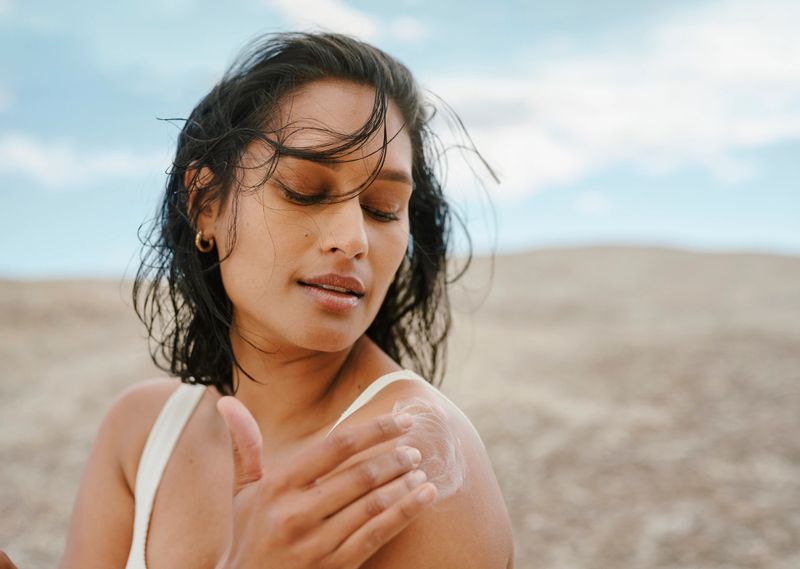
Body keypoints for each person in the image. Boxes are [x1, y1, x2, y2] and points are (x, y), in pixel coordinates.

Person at [59, 32, 514, 568]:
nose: (354, 239)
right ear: (206, 204)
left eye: (384, 207)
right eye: (304, 189)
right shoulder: (140, 431)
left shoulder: (414, 464)